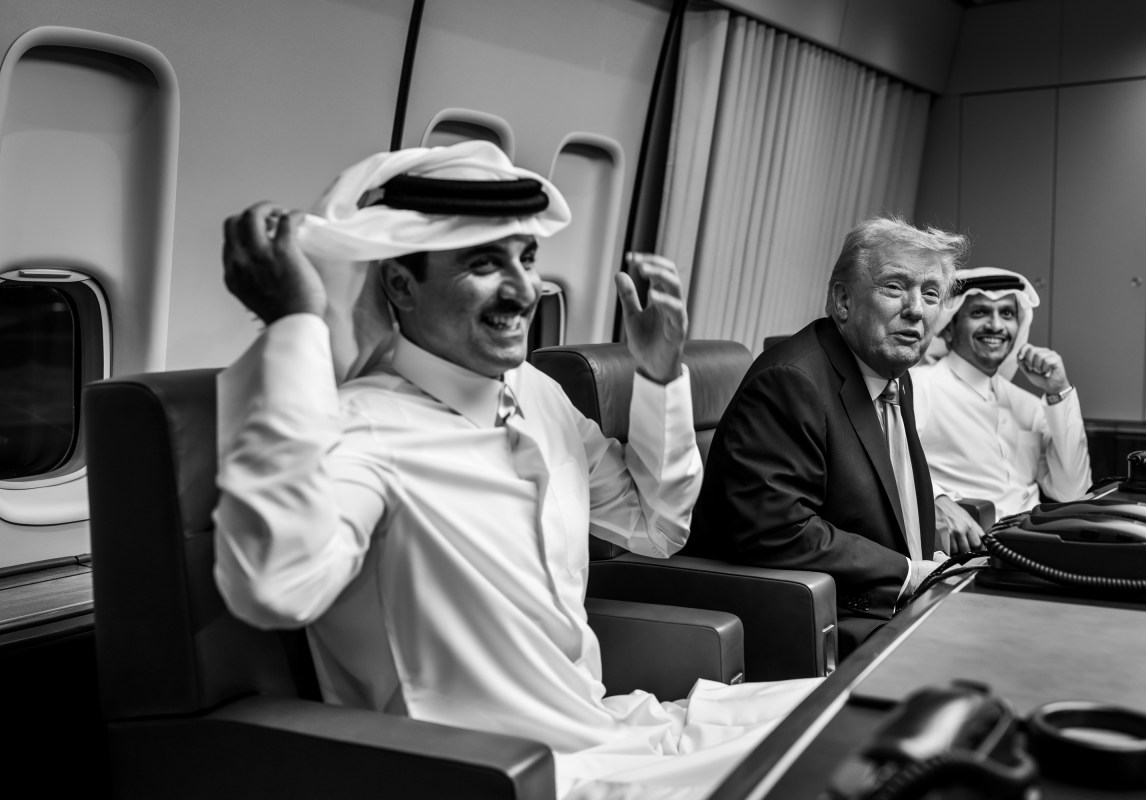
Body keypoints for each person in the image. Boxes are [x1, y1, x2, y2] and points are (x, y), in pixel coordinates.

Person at [213, 140, 820, 800]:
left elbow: (657, 528)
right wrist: (295, 324)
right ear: (400, 284)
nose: (525, 289)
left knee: (846, 714)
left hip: (610, 730)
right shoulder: (363, 428)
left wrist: (656, 376)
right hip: (511, 776)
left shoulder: (536, 392)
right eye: (484, 264)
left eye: (527, 259)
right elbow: (279, 587)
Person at [685, 216, 982, 656]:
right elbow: (777, 532)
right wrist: (908, 574)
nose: (916, 309)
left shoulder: (891, 370)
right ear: (843, 300)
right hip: (816, 621)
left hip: (892, 602)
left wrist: (931, 568)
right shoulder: (792, 381)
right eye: (895, 287)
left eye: (931, 294)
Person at [911, 267, 1092, 520]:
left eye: (1007, 313)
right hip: (966, 540)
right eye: (980, 312)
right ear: (949, 329)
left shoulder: (1029, 404)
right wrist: (938, 499)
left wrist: (1059, 392)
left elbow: (1072, 491)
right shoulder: (919, 386)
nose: (996, 325)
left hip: (1035, 536)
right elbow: (893, 464)